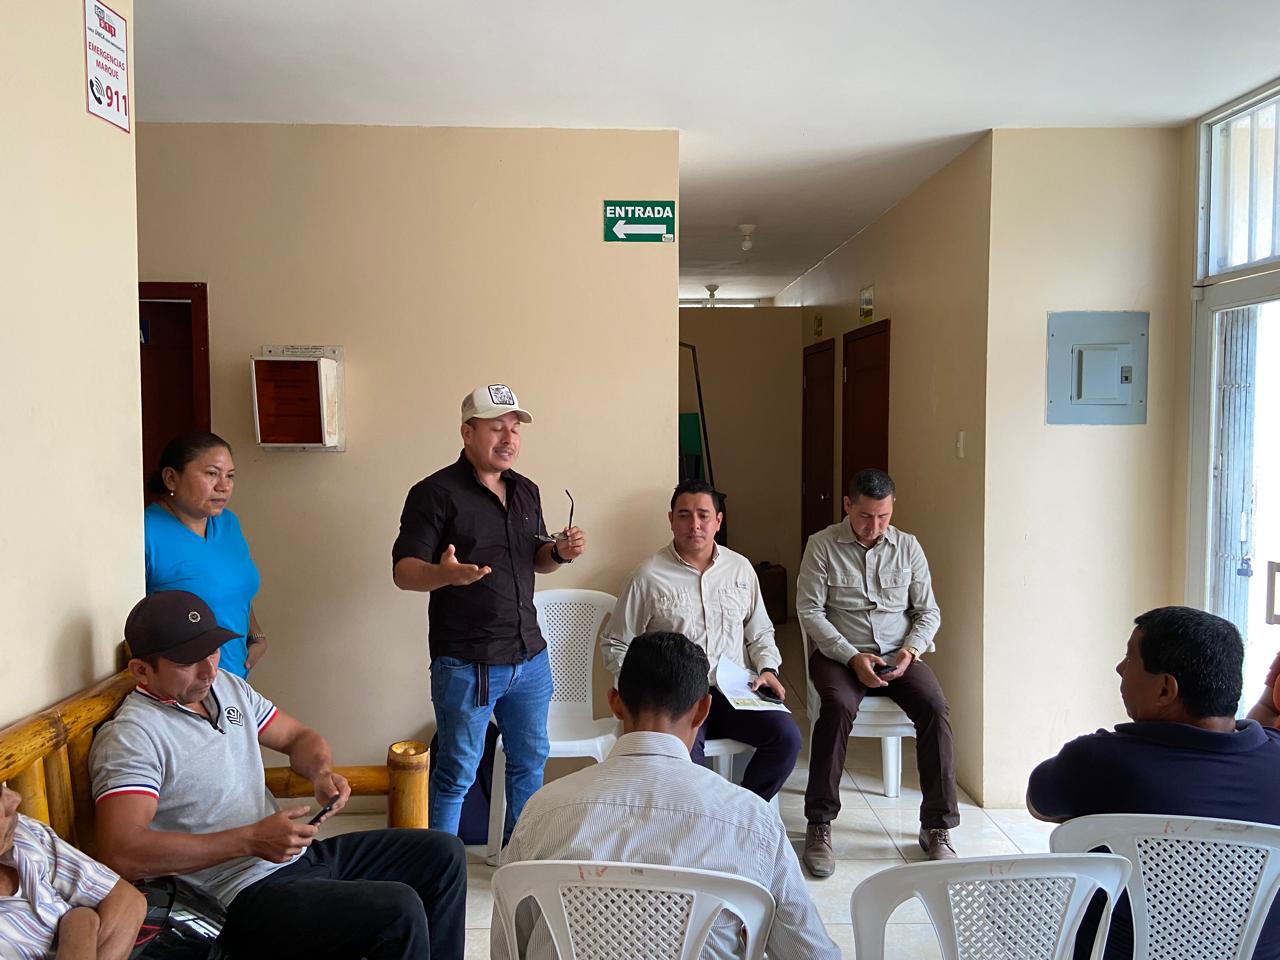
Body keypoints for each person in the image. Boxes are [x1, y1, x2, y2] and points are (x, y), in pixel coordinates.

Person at [89, 591, 467, 960]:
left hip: (297, 860)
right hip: (237, 896)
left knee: (443, 853)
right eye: (188, 662)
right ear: (141, 670)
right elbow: (122, 851)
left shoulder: (228, 688)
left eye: (212, 651)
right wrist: (250, 840)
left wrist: (320, 774)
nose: (209, 670)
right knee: (398, 910)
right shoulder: (133, 735)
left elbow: (298, 737)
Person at [494, 631, 840, 960]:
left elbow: (508, 947)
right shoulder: (753, 821)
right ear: (703, 710)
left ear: (615, 703)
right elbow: (810, 953)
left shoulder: (542, 811)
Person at [1027, 605, 1280, 960]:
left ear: (1165, 689)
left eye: (1130, 658)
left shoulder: (1096, 761)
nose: (1120, 668)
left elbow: (1039, 804)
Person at [392, 384, 586, 841]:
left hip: (529, 656)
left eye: (515, 429)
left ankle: (520, 858)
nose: (509, 438)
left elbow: (534, 559)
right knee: (456, 772)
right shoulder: (434, 493)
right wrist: (444, 575)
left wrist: (559, 553)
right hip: (469, 662)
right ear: (467, 432)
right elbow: (403, 572)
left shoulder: (526, 490)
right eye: (497, 428)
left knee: (530, 761)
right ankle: (440, 868)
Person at [797, 467, 955, 875]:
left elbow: (928, 611)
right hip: (839, 654)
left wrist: (910, 651)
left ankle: (936, 826)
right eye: (866, 516)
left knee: (935, 708)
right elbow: (810, 611)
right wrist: (851, 657)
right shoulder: (822, 546)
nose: (874, 526)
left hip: (897, 654)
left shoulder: (909, 547)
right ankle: (819, 824)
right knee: (836, 707)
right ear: (847, 505)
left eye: (883, 516)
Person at [600, 479, 800, 801]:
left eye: (703, 515)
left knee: (786, 738)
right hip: (677, 695)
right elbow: (615, 644)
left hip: (735, 692)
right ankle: (697, 822)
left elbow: (760, 631)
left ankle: (739, 813)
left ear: (718, 521)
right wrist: (645, 688)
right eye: (684, 515)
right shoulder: (648, 576)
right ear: (671, 520)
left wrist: (768, 669)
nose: (694, 525)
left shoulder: (740, 569)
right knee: (685, 768)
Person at [144, 432, 266, 678]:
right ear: (171, 478)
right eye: (212, 474)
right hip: (181, 687)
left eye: (230, 476)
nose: (224, 486)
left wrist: (256, 634)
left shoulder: (228, 523)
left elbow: (235, 586)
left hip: (235, 679)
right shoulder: (144, 532)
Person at [0, 780, 146, 960]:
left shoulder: (22, 833)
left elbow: (128, 900)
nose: (14, 798)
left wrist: (78, 925)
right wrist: (80, 925)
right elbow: (124, 852)